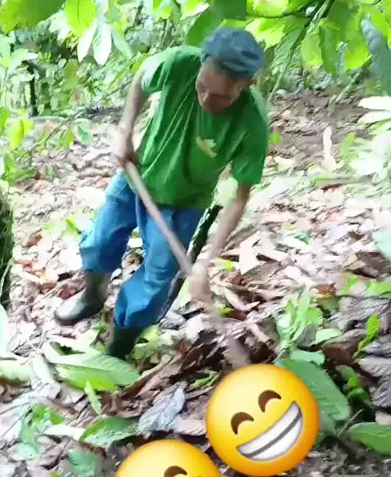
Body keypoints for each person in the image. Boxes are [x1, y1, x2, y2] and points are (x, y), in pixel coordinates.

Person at [55, 27, 269, 360]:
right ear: (201, 64)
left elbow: (239, 198)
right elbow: (142, 78)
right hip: (138, 175)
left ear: (246, 84)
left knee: (154, 284)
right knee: (100, 241)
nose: (206, 101)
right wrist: (125, 130)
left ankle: (118, 347)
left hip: (183, 204)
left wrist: (206, 263)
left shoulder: (251, 124)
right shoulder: (179, 63)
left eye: (221, 97)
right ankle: (92, 296)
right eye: (202, 87)